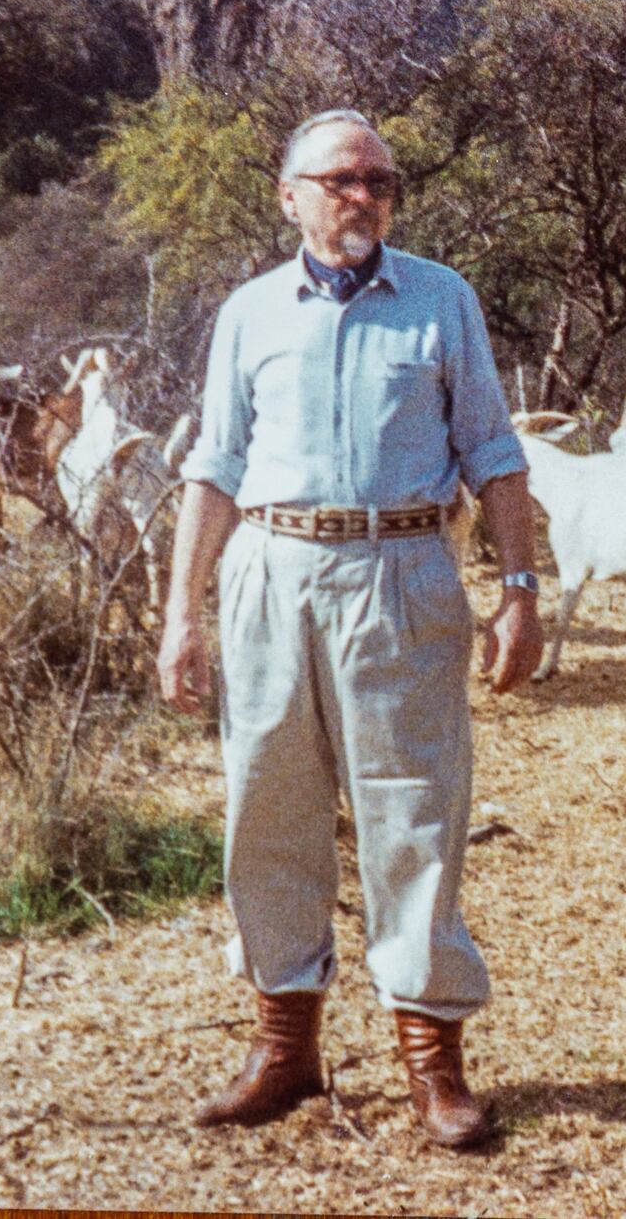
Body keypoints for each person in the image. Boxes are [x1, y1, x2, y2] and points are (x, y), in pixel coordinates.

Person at [157, 108, 543, 1148]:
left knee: (413, 808)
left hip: (403, 570)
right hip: (272, 575)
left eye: (380, 180)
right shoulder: (247, 313)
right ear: (290, 196)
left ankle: (432, 1062)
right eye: (340, 179)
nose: (363, 196)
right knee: (266, 807)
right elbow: (214, 468)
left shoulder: (439, 299)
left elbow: (494, 451)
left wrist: (518, 588)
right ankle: (283, 1049)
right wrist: (179, 616)